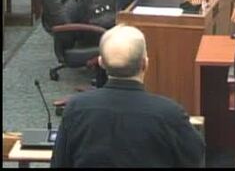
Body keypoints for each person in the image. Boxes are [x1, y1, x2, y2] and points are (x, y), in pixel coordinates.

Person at [51, 25, 205, 167]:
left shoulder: (75, 109)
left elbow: (59, 163)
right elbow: (195, 157)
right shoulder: (170, 114)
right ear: (145, 64)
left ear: (101, 63)